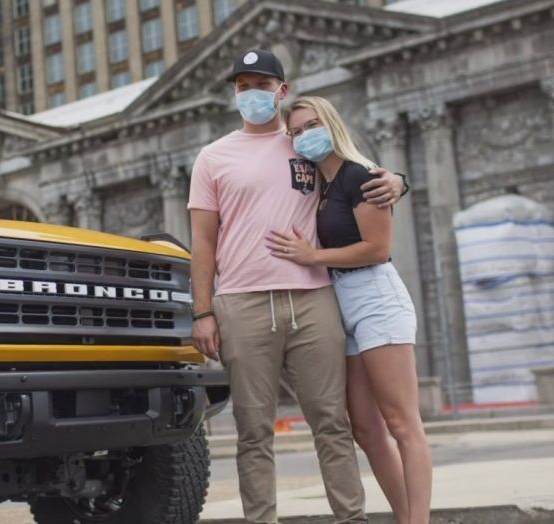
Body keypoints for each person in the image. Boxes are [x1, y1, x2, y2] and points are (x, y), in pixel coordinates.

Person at [188, 49, 406, 524]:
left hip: (313, 300)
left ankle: (352, 519)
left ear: (282, 92)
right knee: (253, 432)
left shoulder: (306, 142)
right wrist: (202, 312)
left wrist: (396, 180)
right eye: (243, 86)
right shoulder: (213, 157)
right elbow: (202, 240)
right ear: (234, 94)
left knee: (332, 423)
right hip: (241, 304)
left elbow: (358, 175)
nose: (252, 94)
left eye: (262, 86)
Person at [267, 96, 432, 524]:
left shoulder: (360, 175)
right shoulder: (320, 187)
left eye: (312, 125)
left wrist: (311, 257)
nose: (305, 135)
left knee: (402, 423)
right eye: (297, 131)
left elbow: (377, 249)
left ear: (332, 123)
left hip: (376, 298)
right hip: (343, 304)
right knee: (365, 428)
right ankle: (403, 517)